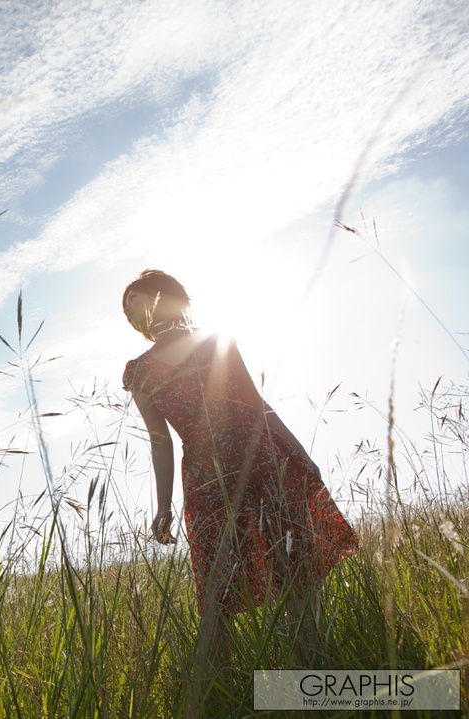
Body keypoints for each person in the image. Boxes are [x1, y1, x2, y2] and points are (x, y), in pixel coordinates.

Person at [121, 270, 357, 708]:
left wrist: (300, 452)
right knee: (215, 585)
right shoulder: (139, 372)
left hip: (261, 459)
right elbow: (159, 441)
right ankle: (224, 694)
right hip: (205, 479)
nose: (134, 312)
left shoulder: (216, 342)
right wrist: (162, 506)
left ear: (167, 297)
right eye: (128, 309)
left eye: (137, 299)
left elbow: (257, 404)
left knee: (294, 569)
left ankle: (315, 683)